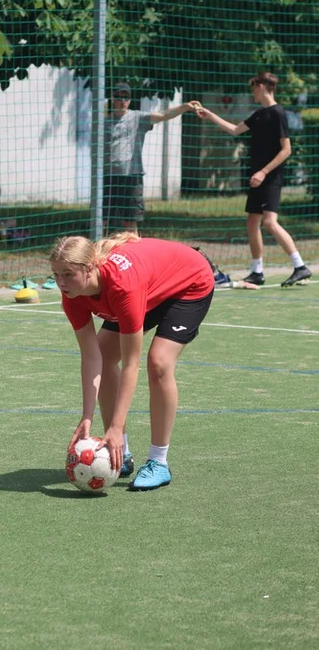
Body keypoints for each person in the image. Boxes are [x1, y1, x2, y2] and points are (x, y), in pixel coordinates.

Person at [49, 232, 214, 491]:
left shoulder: (123, 286)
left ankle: (158, 462)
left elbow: (130, 364)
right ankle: (120, 454)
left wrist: (114, 425)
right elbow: (91, 356)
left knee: (158, 362)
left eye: (68, 274)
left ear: (90, 268)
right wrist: (87, 416)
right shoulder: (73, 297)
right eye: (56, 274)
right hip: (150, 286)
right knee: (104, 358)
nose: (61, 282)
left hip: (188, 283)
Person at [197, 72, 312, 287]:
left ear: (261, 86)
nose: (252, 92)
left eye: (253, 88)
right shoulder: (259, 114)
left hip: (270, 177)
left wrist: (263, 172)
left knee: (269, 222)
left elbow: (286, 150)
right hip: (258, 178)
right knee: (252, 222)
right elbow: (234, 130)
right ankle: (257, 271)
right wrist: (210, 115)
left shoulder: (278, 113)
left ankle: (300, 266)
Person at [103, 82, 201, 233]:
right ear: (112, 98)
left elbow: (163, 115)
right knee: (103, 221)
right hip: (107, 176)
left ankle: (134, 254)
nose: (122, 101)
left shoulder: (137, 117)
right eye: (118, 96)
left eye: (126, 97)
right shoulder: (102, 121)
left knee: (130, 222)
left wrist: (185, 107)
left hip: (131, 175)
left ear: (130, 100)